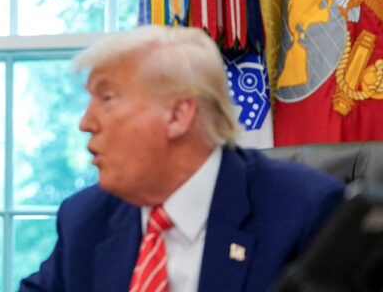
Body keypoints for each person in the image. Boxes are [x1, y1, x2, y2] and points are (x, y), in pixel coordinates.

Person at [19, 25, 344, 292]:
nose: (86, 123)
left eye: (107, 98)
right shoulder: (86, 219)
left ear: (177, 114)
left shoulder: (306, 211)